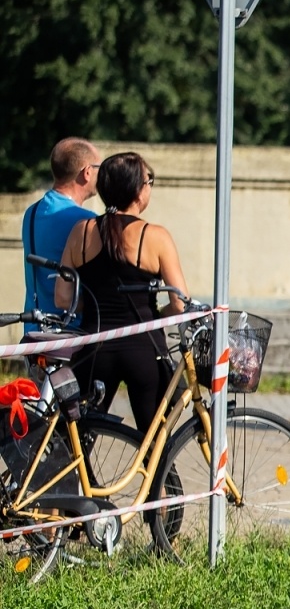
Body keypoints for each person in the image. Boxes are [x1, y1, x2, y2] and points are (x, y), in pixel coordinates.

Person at [59, 153, 192, 434]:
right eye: (149, 180)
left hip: (93, 347)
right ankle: (162, 480)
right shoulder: (155, 236)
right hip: (143, 349)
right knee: (154, 444)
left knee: (77, 442)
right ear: (138, 189)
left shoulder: (80, 232)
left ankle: (75, 479)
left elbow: (63, 299)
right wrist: (156, 315)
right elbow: (180, 304)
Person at [20, 138, 99, 333]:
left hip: (34, 332)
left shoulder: (31, 212)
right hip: (71, 334)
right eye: (99, 168)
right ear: (87, 172)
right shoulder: (87, 222)